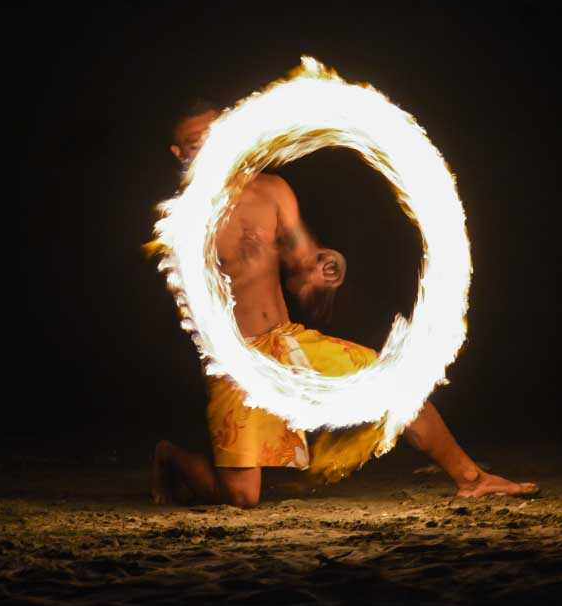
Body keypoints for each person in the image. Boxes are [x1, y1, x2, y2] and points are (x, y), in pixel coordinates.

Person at [151, 101, 540, 508]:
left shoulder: (271, 191)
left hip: (286, 342)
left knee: (397, 390)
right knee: (241, 498)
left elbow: (303, 265)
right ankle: (172, 457)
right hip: (238, 364)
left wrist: (324, 268)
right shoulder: (182, 221)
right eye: (197, 143)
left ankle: (472, 478)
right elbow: (194, 308)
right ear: (179, 153)